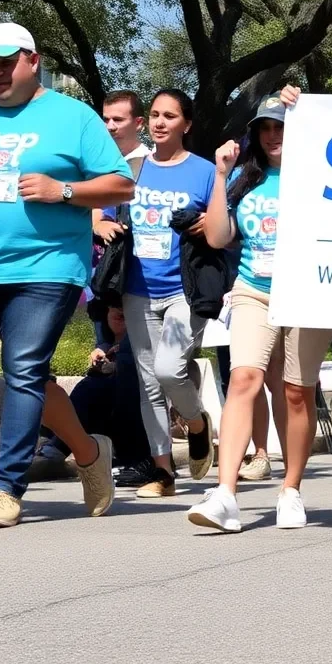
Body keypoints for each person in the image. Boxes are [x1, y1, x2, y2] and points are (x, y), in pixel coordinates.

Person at [0, 23, 133, 526]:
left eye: (5, 62)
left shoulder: (73, 117)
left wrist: (62, 191)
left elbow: (122, 185)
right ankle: (86, 453)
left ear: (32, 60)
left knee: (24, 372)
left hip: (46, 266)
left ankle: (6, 487)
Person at [187, 90, 332, 532]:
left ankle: (290, 490)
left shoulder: (326, 175)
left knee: (295, 392)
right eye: (265, 128)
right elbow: (216, 238)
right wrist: (219, 176)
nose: (273, 136)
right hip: (254, 289)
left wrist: (306, 103)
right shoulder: (245, 181)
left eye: (281, 127)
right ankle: (225, 494)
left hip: (309, 296)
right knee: (243, 378)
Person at [96, 88, 217, 498]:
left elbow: (223, 229)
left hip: (184, 289)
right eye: (155, 115)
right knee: (148, 382)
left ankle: (197, 422)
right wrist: (100, 225)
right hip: (137, 290)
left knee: (169, 368)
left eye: (170, 116)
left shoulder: (203, 171)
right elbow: (102, 209)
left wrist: (207, 222)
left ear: (187, 124)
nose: (161, 122)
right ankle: (163, 471)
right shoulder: (131, 167)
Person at [36, 305, 150, 473]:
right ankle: (60, 445)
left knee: (95, 388)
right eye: (116, 314)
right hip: (108, 401)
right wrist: (103, 352)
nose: (121, 314)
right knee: (90, 386)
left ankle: (60, 445)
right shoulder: (106, 331)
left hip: (137, 392)